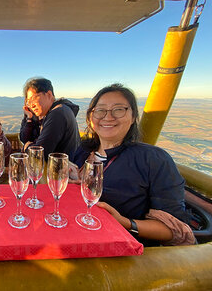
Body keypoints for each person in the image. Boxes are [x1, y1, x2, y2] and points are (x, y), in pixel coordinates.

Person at [70, 83, 195, 246]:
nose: (108, 117)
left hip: (122, 251)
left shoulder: (153, 159)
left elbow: (175, 230)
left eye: (118, 109)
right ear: (90, 117)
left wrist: (125, 222)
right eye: (100, 110)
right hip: (79, 236)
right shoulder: (83, 150)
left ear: (133, 116)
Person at [22, 77, 80, 160]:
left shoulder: (57, 113)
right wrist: (28, 117)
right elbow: (25, 138)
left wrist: (27, 147)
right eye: (29, 102)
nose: (32, 105)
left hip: (63, 170)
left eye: (34, 98)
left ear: (49, 94)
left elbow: (40, 153)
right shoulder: (61, 110)